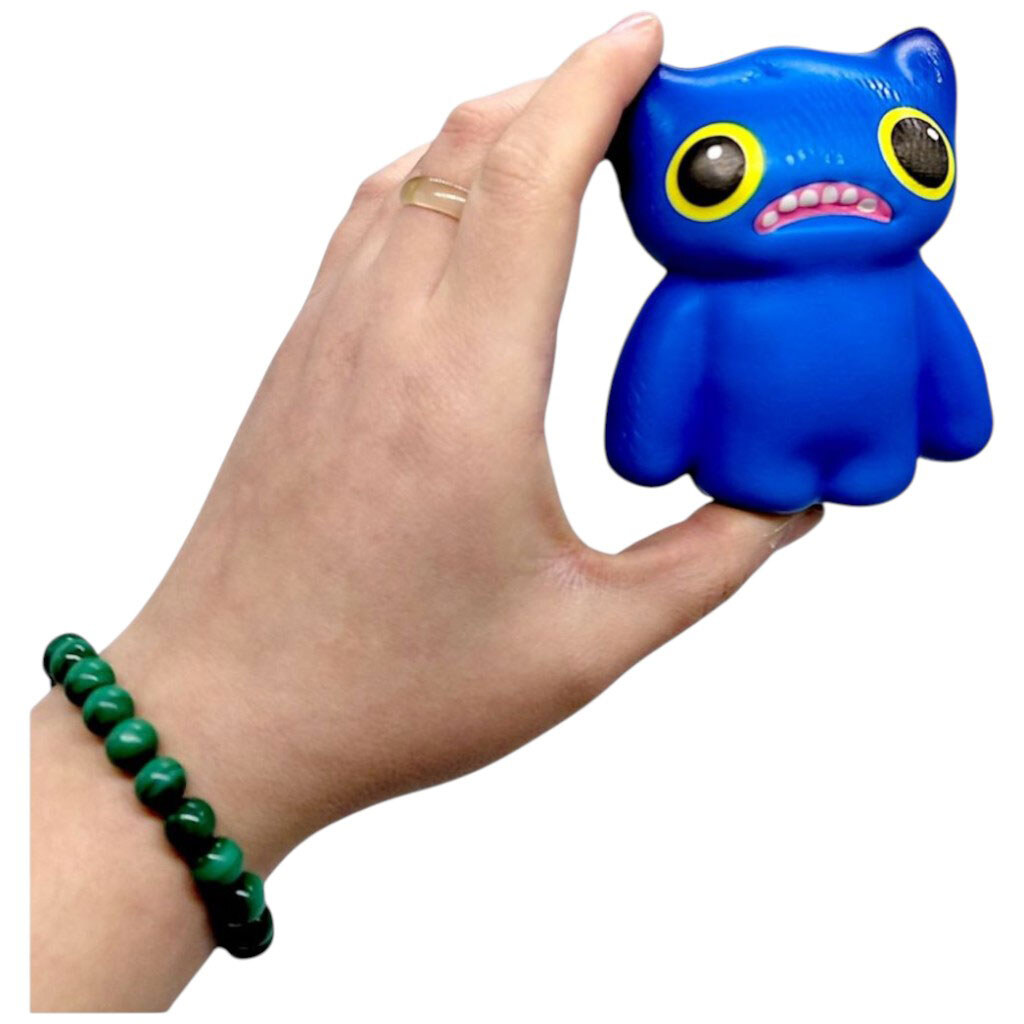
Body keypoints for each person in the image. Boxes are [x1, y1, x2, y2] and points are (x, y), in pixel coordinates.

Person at [30, 13, 821, 1011]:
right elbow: (649, 426)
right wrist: (225, 717)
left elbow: (962, 409)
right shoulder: (701, 302)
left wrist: (210, 708)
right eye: (718, 167)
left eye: (909, 148)